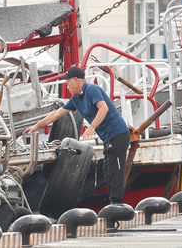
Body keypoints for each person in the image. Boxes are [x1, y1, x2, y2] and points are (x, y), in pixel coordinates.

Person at [23, 66, 130, 204]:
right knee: (107, 169)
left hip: (118, 134)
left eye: (68, 83)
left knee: (115, 169)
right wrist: (36, 126)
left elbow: (104, 108)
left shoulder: (92, 89)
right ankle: (113, 203)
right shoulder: (76, 100)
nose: (67, 86)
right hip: (108, 137)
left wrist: (92, 127)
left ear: (76, 80)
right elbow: (56, 114)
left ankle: (117, 203)